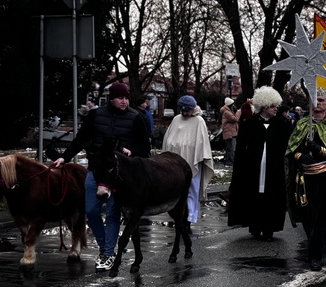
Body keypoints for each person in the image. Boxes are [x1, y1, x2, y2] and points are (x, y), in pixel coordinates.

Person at [54, 82, 151, 271]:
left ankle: (107, 254)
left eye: (126, 98)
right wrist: (64, 158)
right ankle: (104, 247)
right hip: (96, 170)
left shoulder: (135, 117)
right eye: (120, 98)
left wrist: (131, 151)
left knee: (113, 213)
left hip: (119, 174)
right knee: (91, 210)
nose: (124, 101)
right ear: (111, 99)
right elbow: (80, 140)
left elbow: (145, 147)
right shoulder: (96, 115)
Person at [286, 88, 326, 270]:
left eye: (322, 100)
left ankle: (315, 254)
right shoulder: (302, 125)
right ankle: (314, 247)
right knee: (307, 217)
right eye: (315, 100)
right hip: (305, 179)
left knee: (320, 217)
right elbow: (291, 150)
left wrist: (319, 150)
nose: (318, 103)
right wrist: (300, 156)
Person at [228, 86, 292, 242]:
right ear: (263, 106)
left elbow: (286, 146)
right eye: (272, 106)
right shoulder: (249, 124)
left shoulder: (281, 124)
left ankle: (270, 227)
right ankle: (255, 226)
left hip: (274, 169)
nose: (276, 109)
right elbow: (242, 148)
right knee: (254, 195)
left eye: (276, 106)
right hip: (253, 168)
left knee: (272, 196)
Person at [162, 95, 215, 231]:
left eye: (187, 110)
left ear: (193, 109)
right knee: (175, 190)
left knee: (191, 190)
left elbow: (202, 144)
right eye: (182, 110)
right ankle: (177, 216)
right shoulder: (176, 119)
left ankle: (189, 218)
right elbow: (168, 139)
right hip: (174, 163)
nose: (185, 113)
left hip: (192, 161)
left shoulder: (199, 121)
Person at [220, 97, 240, 165]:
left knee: (229, 148)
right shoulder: (227, 112)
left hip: (230, 132)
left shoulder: (227, 111)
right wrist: (238, 113)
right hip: (230, 133)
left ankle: (229, 160)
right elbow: (234, 119)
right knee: (231, 148)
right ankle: (230, 161)